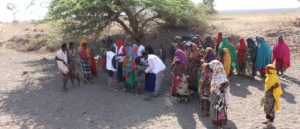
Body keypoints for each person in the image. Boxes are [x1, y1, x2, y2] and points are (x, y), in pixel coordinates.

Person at [208, 60, 230, 129]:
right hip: (215, 95)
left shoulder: (220, 75)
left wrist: (220, 88)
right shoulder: (216, 74)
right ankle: (216, 123)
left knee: (219, 110)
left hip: (219, 96)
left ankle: (219, 125)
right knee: (215, 110)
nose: (211, 69)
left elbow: (226, 83)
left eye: (212, 68)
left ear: (216, 67)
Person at [262, 64, 283, 128]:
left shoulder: (274, 78)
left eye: (267, 69)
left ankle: (270, 124)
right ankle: (268, 120)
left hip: (272, 97)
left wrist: (273, 86)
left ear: (271, 70)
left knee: (271, 109)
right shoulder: (268, 77)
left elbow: (276, 87)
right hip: (267, 96)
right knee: (267, 108)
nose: (266, 70)